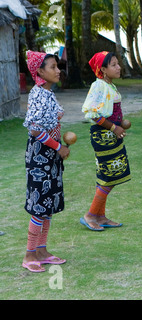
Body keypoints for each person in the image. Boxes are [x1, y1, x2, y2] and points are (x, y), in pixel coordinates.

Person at [22, 50, 70, 272]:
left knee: (48, 206)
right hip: (41, 156)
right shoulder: (38, 94)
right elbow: (34, 130)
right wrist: (58, 146)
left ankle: (42, 250)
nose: (57, 70)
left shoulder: (48, 93)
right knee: (39, 206)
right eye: (52, 67)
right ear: (40, 71)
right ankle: (29, 253)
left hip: (50, 156)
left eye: (57, 66)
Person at [80, 51, 130, 231]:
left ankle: (100, 216)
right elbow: (92, 113)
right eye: (114, 65)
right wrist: (113, 127)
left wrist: (119, 124)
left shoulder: (110, 85)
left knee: (110, 174)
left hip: (112, 134)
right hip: (103, 135)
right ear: (103, 69)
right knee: (109, 175)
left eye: (118, 63)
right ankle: (91, 214)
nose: (118, 67)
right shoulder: (98, 85)